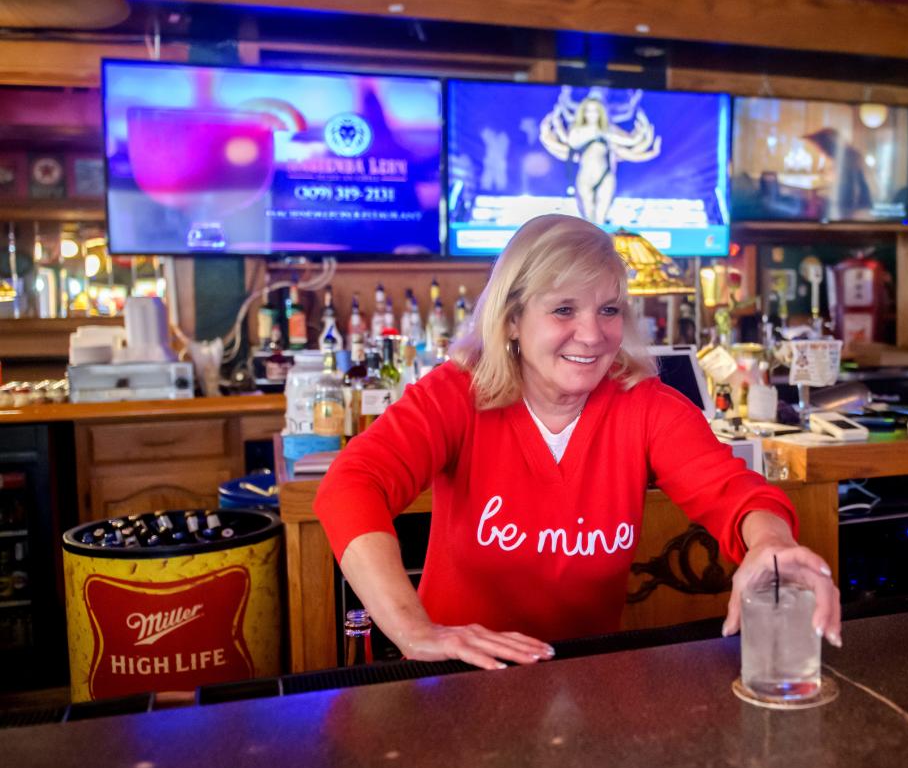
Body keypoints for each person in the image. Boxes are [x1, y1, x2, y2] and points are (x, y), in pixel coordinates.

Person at [314, 214, 841, 670]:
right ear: (512, 320)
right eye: (564, 310)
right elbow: (352, 485)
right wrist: (414, 631)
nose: (592, 335)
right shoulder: (457, 395)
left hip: (588, 678)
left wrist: (771, 543)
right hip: (461, 677)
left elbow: (734, 491)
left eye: (608, 310)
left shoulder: (645, 405)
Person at [539, 88, 662, 226]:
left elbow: (630, 146)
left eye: (595, 110)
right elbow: (565, 143)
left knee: (600, 220)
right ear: (583, 112)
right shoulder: (579, 131)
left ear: (601, 112)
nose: (592, 114)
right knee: (588, 221)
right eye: (588, 111)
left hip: (606, 177)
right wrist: (552, 126)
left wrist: (649, 148)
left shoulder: (609, 130)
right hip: (585, 178)